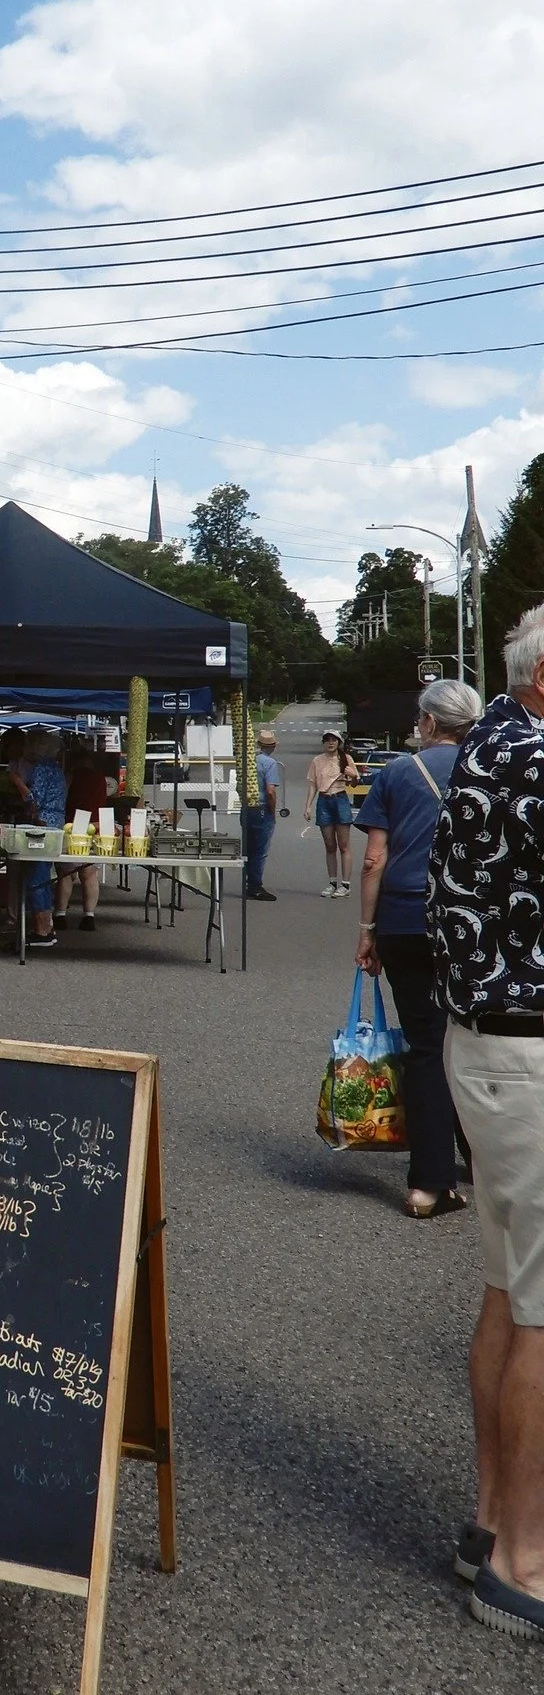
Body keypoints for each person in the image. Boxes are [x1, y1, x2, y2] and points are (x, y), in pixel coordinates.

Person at [429, 605, 544, 1638]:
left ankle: (491, 1518)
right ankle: (525, 1559)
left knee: (509, 1289)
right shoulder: (535, 758)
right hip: (533, 1051)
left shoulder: (489, 743)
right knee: (541, 1311)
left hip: (488, 1044)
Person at [354, 680, 481, 1219]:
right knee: (477, 1040)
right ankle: (483, 1158)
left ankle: (429, 1185)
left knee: (426, 1047)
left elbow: (373, 860)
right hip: (476, 924)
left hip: (404, 921)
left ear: (428, 723)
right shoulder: (492, 769)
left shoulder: (396, 774)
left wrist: (366, 929)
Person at [55, 742, 112, 932]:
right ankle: (89, 916)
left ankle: (61, 914)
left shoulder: (69, 778)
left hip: (71, 826)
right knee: (89, 874)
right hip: (95, 826)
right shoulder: (100, 779)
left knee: (66, 874)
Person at [20, 727, 67, 951]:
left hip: (42, 825)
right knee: (45, 876)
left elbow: (33, 798)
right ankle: (47, 925)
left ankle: (42, 930)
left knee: (37, 878)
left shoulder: (40, 768)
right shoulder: (56, 769)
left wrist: (17, 782)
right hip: (56, 822)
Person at [305, 728, 360, 898]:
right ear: (323, 742)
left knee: (344, 845)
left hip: (340, 799)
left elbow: (354, 784)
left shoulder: (346, 759)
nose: (330, 743)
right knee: (330, 845)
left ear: (338, 742)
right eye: (327, 740)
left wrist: (353, 775)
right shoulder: (317, 760)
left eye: (334, 740)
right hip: (324, 801)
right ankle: (332, 882)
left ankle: (345, 884)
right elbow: (313, 784)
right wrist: (307, 806)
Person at [245, 727, 287, 901]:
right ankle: (255, 885)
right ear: (273, 746)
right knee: (260, 849)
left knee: (248, 847)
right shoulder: (270, 764)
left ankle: (248, 881)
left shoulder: (249, 760)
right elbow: (270, 790)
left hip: (247, 807)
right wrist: (273, 810)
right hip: (262, 807)